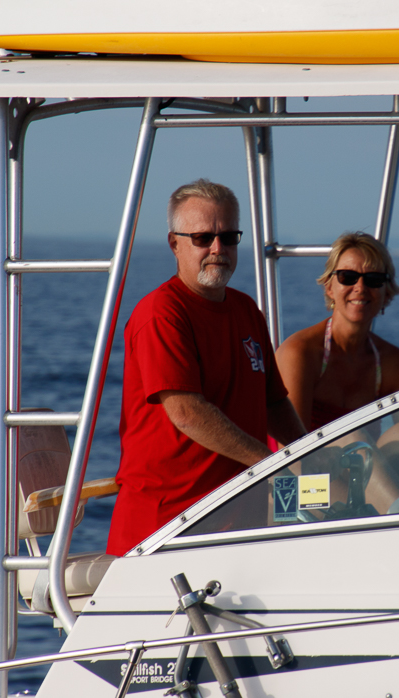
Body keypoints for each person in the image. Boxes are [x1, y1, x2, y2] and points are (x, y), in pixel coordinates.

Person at [106, 179, 305, 555]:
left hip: (240, 521)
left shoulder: (247, 310)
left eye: (228, 238)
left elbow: (274, 404)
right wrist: (273, 463)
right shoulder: (161, 314)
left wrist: (311, 458)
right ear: (174, 244)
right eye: (202, 238)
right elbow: (187, 413)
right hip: (169, 530)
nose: (218, 249)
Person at [276, 232, 399, 513]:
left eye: (373, 280)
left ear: (386, 292)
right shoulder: (300, 352)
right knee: (353, 439)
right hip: (290, 489)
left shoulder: (394, 364)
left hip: (356, 479)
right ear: (330, 287)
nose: (360, 287)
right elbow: (289, 454)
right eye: (347, 277)